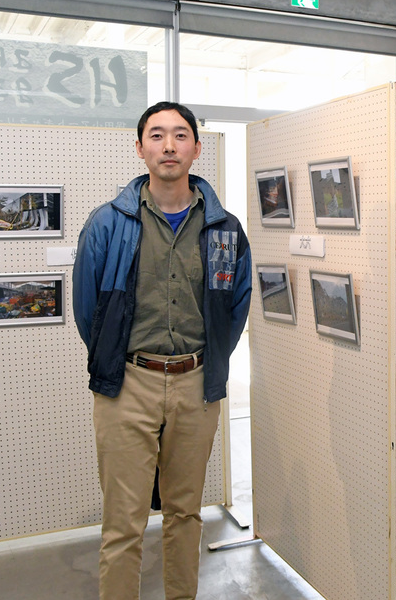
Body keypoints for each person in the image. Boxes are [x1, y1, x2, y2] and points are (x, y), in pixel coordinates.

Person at [73, 101, 252, 600]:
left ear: (196, 147)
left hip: (197, 387)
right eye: (156, 135)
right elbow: (89, 310)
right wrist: (119, 364)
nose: (168, 145)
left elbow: (234, 309)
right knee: (123, 522)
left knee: (185, 513)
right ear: (140, 148)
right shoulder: (109, 223)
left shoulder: (224, 230)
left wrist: (207, 363)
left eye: (179, 135)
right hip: (128, 385)